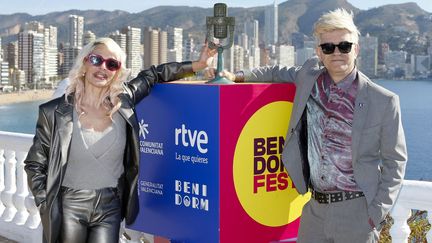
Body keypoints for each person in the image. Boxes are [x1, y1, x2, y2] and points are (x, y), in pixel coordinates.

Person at [210, 8, 407, 243]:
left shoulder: (384, 100)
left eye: (344, 46)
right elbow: (274, 72)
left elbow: (395, 162)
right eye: (328, 47)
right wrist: (237, 76)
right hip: (314, 209)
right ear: (319, 52)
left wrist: (375, 214)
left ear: (356, 49)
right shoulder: (308, 77)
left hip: (357, 212)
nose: (337, 53)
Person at [24, 37, 214, 243]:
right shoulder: (53, 112)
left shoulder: (123, 102)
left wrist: (198, 65)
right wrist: (47, 205)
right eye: (97, 60)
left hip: (110, 207)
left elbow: (153, 75)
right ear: (85, 63)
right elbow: (34, 164)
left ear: (117, 72)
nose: (103, 68)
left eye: (112, 64)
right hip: (69, 205)